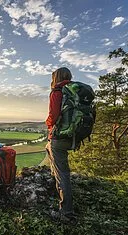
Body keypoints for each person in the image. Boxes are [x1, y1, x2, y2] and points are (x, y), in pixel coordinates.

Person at [45, 67, 77, 224]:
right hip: (73, 136)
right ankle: (56, 185)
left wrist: (48, 124)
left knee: (63, 174)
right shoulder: (73, 91)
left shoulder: (57, 91)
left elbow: (53, 116)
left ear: (55, 78)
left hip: (59, 137)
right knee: (48, 148)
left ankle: (67, 213)